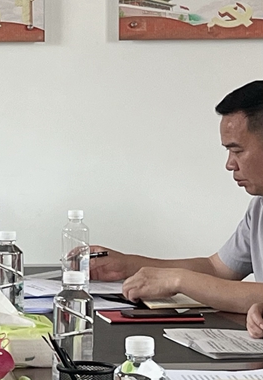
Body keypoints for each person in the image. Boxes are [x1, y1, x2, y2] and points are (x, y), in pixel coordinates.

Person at [89, 81, 263, 318]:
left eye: (237, 151)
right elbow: (217, 269)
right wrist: (127, 265)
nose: (230, 164)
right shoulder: (258, 207)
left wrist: (179, 280)